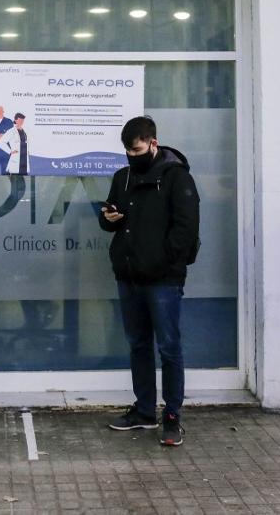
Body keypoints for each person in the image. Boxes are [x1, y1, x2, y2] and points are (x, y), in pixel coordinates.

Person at [97, 116, 200, 447]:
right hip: (129, 276)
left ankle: (172, 416)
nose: (132, 155)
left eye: (137, 149)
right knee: (138, 345)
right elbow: (113, 223)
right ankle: (144, 411)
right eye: (127, 150)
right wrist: (109, 218)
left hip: (163, 280)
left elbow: (186, 229)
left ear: (153, 143)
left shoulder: (176, 178)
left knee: (168, 347)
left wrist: (166, 263)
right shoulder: (122, 177)